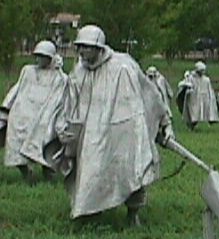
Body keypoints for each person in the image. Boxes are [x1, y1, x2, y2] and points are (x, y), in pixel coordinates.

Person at [48, 25, 174, 226]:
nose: (81, 52)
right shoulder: (79, 71)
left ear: (98, 47)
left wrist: (165, 122)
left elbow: (149, 93)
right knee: (91, 170)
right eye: (79, 47)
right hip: (92, 132)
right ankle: (91, 211)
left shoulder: (123, 66)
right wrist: (66, 126)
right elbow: (70, 100)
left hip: (125, 128)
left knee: (131, 169)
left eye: (86, 47)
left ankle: (133, 214)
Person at [0, 40, 68, 184]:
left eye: (43, 56)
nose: (39, 59)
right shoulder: (28, 71)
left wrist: (60, 70)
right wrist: (6, 109)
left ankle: (48, 174)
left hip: (44, 117)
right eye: (37, 56)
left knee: (45, 141)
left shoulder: (58, 77)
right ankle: (26, 173)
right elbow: (16, 90)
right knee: (15, 140)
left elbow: (60, 97)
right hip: (22, 115)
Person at [176, 61, 219, 129]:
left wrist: (211, 98)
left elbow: (209, 90)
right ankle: (191, 125)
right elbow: (183, 84)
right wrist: (187, 86)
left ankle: (202, 123)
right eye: (201, 70)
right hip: (193, 98)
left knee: (201, 112)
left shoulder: (206, 79)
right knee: (193, 113)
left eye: (203, 70)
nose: (202, 72)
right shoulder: (191, 78)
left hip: (203, 98)